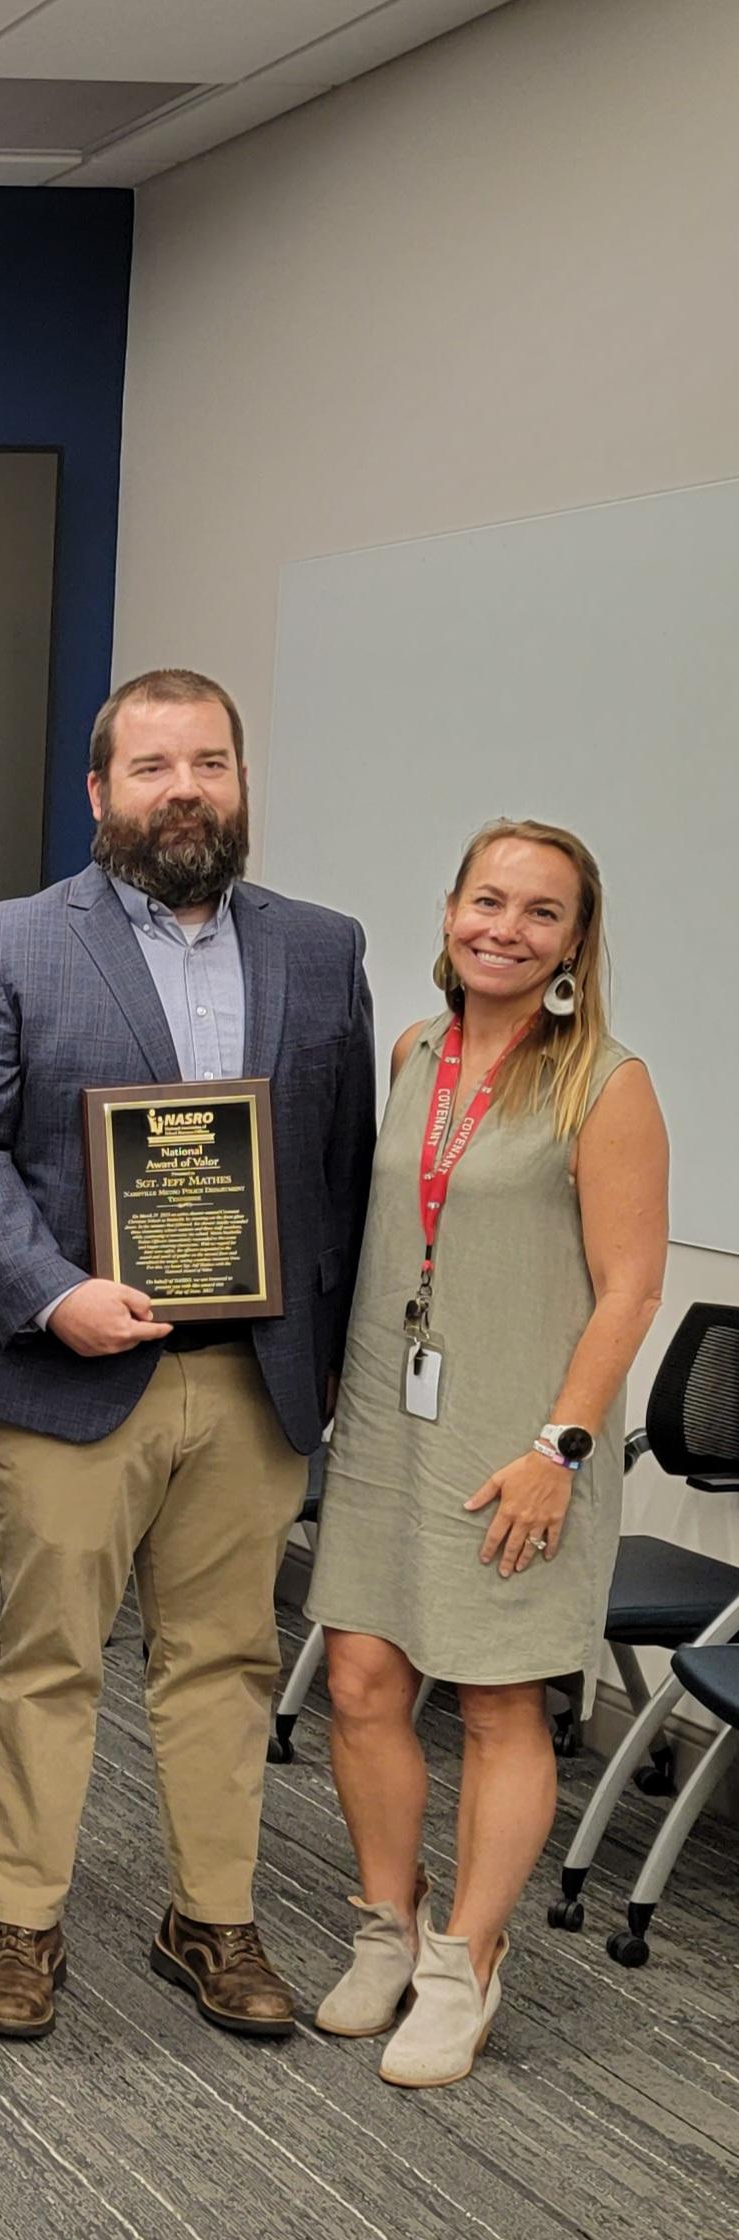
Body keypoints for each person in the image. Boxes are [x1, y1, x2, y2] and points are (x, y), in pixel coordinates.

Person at [0, 667, 376, 2043]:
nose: (187, 787)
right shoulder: (2, 942)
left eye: (211, 763)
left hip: (258, 1378)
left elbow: (339, 1166)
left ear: (239, 781)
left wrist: (333, 1351)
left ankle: (209, 1916)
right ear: (99, 789)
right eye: (156, 764)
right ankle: (21, 1919)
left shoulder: (317, 944)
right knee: (49, 1655)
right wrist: (52, 1294)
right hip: (71, 1373)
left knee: (225, 1655)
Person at [307, 822, 664, 2087]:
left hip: (520, 1436)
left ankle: (467, 1961)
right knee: (358, 1676)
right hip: (392, 1424)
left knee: (501, 1697)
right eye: (488, 899)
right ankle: (386, 1927)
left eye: (542, 912)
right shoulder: (415, 1050)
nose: (505, 928)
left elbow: (629, 1289)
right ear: (451, 906)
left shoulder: (603, 1082)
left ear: (577, 940)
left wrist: (558, 1447)